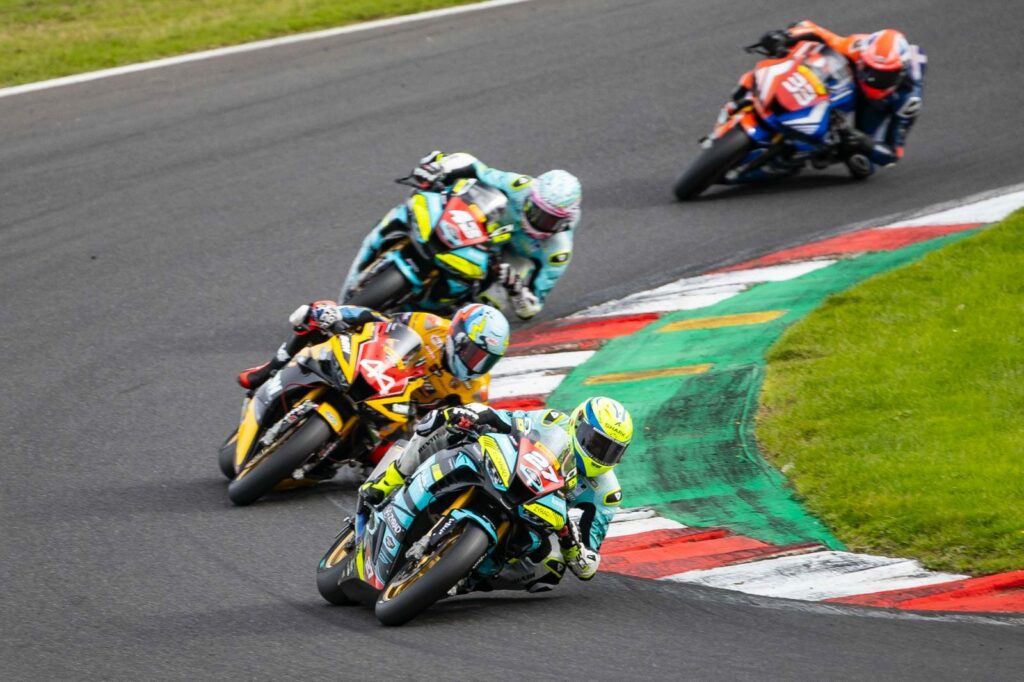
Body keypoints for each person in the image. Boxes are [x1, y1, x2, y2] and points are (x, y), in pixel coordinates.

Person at [360, 397, 633, 590]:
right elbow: (509, 420)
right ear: (578, 425)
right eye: (595, 443)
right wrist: (476, 417)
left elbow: (588, 564)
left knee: (552, 566)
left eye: (611, 451)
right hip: (512, 476)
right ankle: (390, 480)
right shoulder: (552, 422)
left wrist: (575, 546)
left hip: (543, 516)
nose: (600, 454)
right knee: (447, 421)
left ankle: (468, 578)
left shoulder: (606, 493)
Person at [342, 152, 582, 320]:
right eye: (536, 210)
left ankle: (445, 324)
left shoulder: (558, 251)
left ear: (565, 221)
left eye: (550, 219)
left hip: (508, 260)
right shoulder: (520, 187)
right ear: (532, 197)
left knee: (489, 307)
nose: (538, 220)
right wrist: (439, 166)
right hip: (481, 229)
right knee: (416, 208)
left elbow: (532, 308)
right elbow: (476, 169)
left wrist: (517, 290)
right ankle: (382, 244)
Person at [237, 300, 510, 420]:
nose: (476, 364)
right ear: (457, 336)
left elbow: (462, 427)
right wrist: (338, 314)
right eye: (474, 354)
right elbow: (381, 322)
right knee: (314, 314)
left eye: (486, 361)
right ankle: (270, 369)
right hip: (378, 372)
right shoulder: (430, 325)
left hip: (398, 420)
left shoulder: (476, 390)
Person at [740, 21, 926, 178]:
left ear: (900, 74)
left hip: (878, 104)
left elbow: (893, 153)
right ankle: (758, 95)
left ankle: (815, 152)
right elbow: (815, 31)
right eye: (869, 69)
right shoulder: (858, 47)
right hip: (851, 81)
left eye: (883, 77)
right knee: (799, 57)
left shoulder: (908, 100)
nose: (872, 79)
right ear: (863, 59)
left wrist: (865, 143)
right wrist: (785, 36)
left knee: (864, 164)